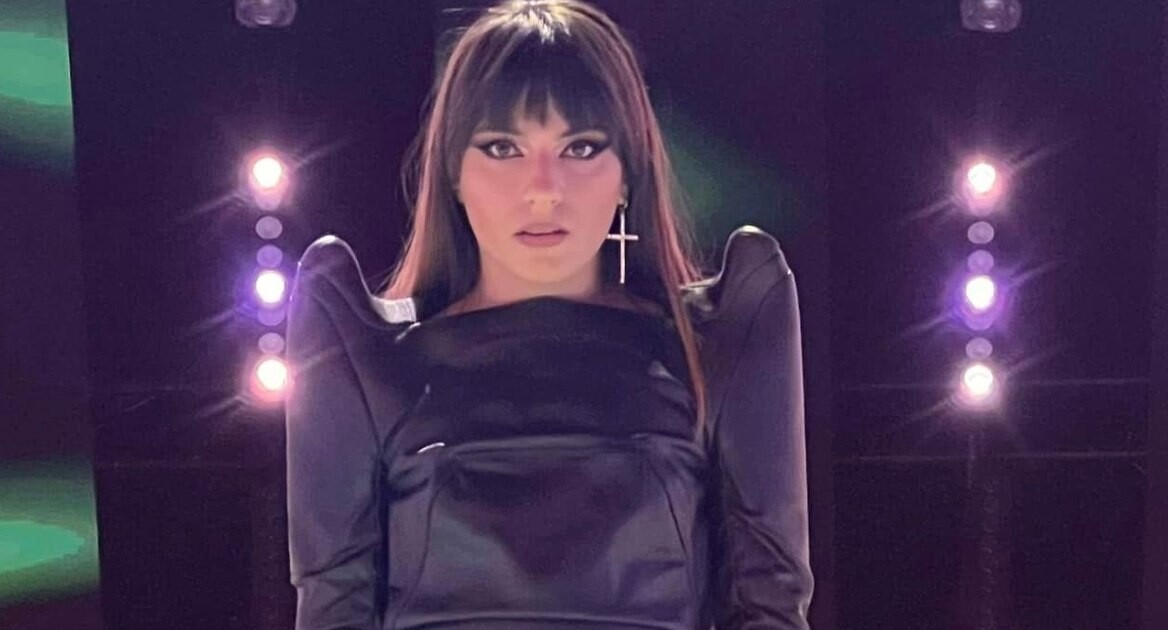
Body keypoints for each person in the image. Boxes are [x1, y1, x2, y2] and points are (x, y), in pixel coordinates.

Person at [284, 1, 814, 628]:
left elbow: (769, 607)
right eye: (503, 147)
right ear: (453, 171)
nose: (542, 189)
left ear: (628, 173)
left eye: (580, 147)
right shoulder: (368, 364)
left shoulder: (717, 346)